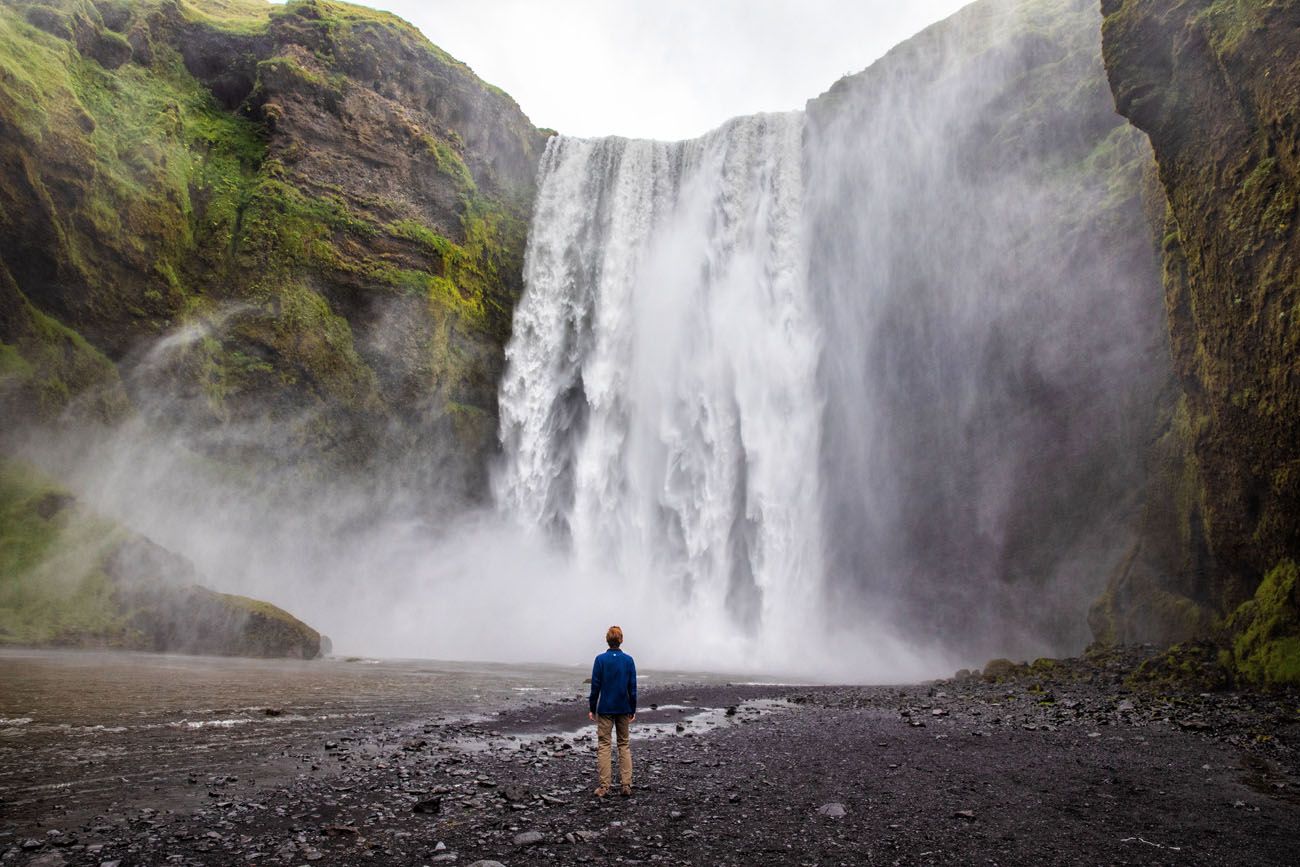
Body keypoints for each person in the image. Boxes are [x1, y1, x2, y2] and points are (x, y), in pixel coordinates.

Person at [588, 625, 637, 797]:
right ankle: (626, 785)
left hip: (606, 707)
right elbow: (632, 687)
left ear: (607, 640)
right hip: (623, 707)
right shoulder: (628, 660)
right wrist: (633, 708)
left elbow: (595, 687)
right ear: (621, 640)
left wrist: (592, 708)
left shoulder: (600, 660)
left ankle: (604, 787)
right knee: (624, 744)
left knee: (604, 745)